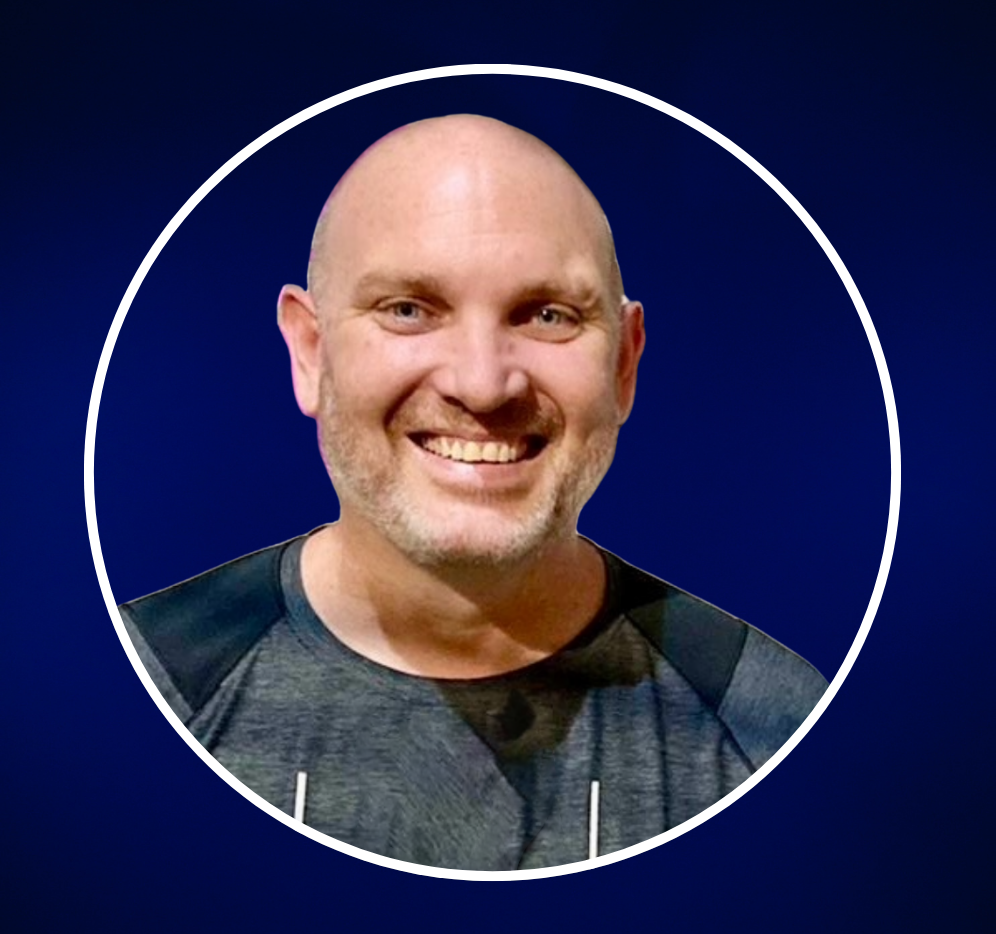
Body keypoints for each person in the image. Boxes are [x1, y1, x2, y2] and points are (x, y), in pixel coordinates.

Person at [119, 115, 828, 871]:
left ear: (623, 366)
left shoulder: (781, 734)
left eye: (548, 315)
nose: (482, 384)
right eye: (408, 310)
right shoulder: (131, 705)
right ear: (310, 351)